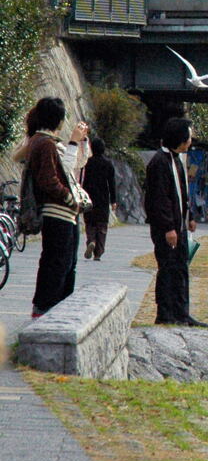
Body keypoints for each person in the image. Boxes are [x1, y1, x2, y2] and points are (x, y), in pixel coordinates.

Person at [24, 98, 91, 318]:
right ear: (59, 120)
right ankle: (46, 309)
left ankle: (56, 308)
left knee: (65, 263)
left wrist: (80, 143)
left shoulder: (44, 141)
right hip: (57, 211)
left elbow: (76, 165)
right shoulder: (45, 143)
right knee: (57, 263)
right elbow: (53, 178)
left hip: (65, 214)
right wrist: (70, 199)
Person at [144, 117, 206, 327]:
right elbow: (159, 199)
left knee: (181, 268)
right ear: (179, 138)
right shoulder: (159, 162)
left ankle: (182, 312)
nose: (190, 140)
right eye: (188, 136)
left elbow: (182, 194)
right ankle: (165, 313)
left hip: (179, 226)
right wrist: (168, 227)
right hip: (167, 229)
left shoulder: (177, 160)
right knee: (167, 269)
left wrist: (190, 217)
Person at [81, 136, 117, 261]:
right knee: (102, 226)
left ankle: (91, 240)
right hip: (103, 199)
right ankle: (98, 253)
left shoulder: (87, 163)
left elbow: (83, 181)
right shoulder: (108, 164)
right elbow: (112, 184)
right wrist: (113, 201)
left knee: (90, 223)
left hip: (89, 197)